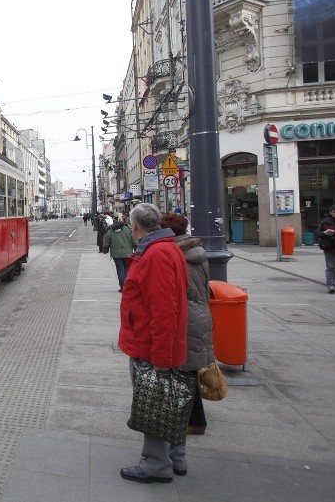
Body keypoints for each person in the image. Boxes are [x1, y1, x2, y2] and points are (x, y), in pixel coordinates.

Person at [118, 203, 188, 484]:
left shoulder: (156, 254)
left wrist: (160, 356)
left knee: (155, 402)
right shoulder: (168, 247)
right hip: (159, 342)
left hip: (152, 344)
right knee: (169, 401)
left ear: (135, 226)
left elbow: (163, 310)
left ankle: (156, 464)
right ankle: (177, 457)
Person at [160, 213, 214, 440]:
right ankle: (194, 419)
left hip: (187, 316)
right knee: (189, 368)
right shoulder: (198, 253)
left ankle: (194, 420)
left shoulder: (177, 255)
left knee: (184, 370)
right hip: (201, 313)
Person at [103, 212, 138, 292]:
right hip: (128, 253)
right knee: (126, 269)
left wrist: (105, 249)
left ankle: (123, 287)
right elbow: (134, 240)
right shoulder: (128, 228)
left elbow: (106, 241)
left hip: (116, 253)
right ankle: (128, 287)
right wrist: (136, 248)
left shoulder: (110, 229)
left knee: (120, 269)